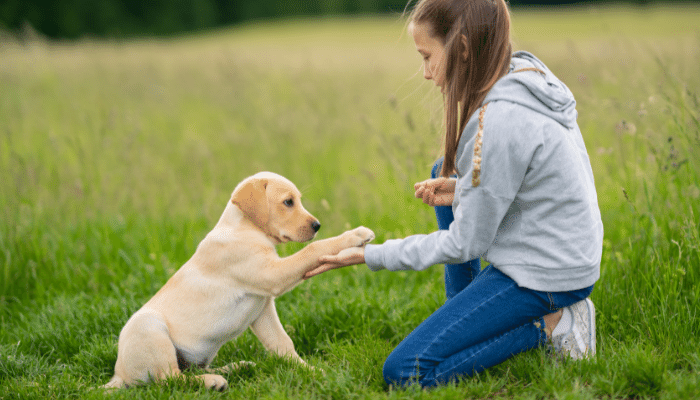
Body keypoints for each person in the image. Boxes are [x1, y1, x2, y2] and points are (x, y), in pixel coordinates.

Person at [305, 0, 603, 388]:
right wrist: (464, 188)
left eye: (427, 56)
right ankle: (462, 313)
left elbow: (464, 244)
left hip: (548, 273)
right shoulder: (520, 72)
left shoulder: (497, 123)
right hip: (564, 247)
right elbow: (529, 178)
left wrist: (369, 255)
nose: (425, 73)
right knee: (439, 171)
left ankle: (551, 324)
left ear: (462, 48)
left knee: (406, 372)